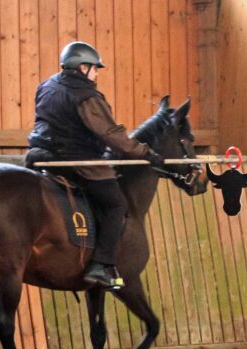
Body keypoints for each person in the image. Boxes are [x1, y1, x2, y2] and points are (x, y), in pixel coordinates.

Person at [26, 41, 165, 289]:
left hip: (40, 157)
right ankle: (100, 265)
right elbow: (111, 133)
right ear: (82, 67)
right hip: (75, 161)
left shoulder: (46, 86)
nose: (96, 74)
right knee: (115, 204)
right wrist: (145, 152)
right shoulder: (87, 97)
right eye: (94, 68)